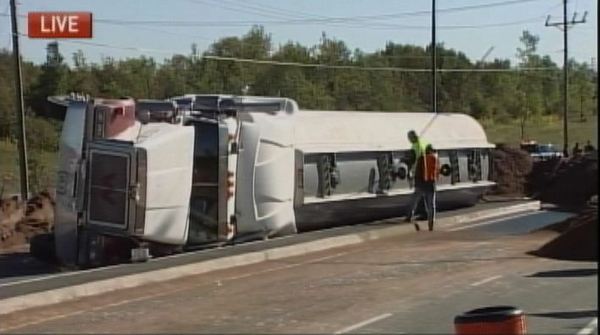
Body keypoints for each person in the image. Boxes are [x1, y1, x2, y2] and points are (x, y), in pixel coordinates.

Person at [405, 144, 439, 232]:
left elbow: (417, 171)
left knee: (414, 201)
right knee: (431, 205)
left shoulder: (421, 158)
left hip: (421, 184)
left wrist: (416, 183)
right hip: (431, 184)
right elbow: (437, 172)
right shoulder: (435, 158)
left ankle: (409, 216)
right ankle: (431, 224)